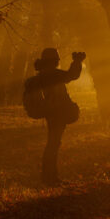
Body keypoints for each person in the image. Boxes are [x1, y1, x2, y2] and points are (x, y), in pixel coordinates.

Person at [27, 48, 86, 185]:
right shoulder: (54, 75)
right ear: (54, 61)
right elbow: (72, 75)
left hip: (52, 113)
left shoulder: (43, 75)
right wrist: (77, 62)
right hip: (57, 114)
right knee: (53, 144)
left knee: (53, 144)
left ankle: (50, 177)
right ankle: (50, 178)